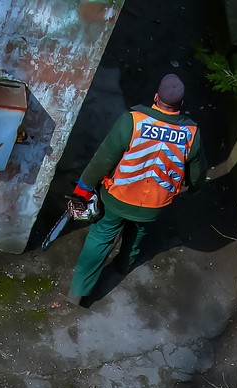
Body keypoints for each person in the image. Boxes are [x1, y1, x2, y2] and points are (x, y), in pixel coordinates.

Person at [65, 74, 207, 305]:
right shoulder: (192, 134)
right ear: (181, 105)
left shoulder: (132, 121)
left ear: (155, 97)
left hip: (117, 197)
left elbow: (103, 159)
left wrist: (84, 187)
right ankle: (123, 265)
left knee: (100, 238)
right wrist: (195, 188)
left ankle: (78, 292)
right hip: (153, 205)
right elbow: (197, 173)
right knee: (138, 233)